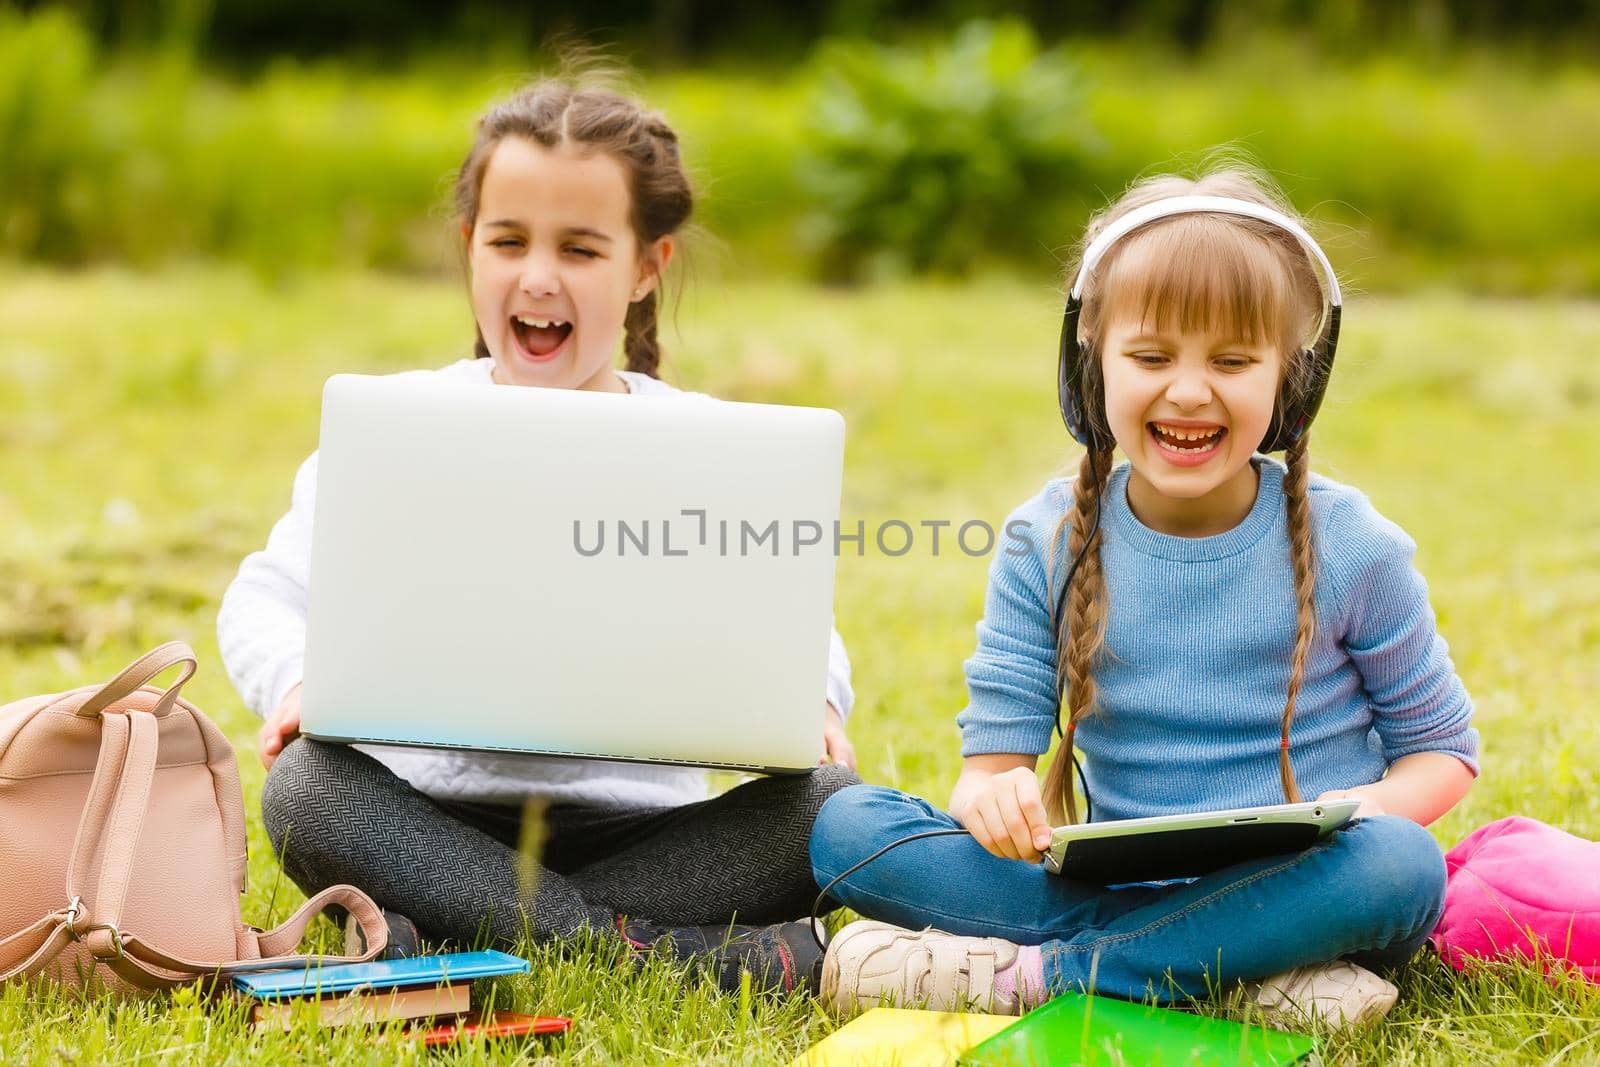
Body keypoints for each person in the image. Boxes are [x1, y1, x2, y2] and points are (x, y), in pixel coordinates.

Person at [217, 78, 860, 994]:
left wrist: (819, 701)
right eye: (508, 241)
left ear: (647, 266)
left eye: (582, 248)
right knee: (307, 790)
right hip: (429, 821)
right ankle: (666, 958)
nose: (538, 276)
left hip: (640, 832)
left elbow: (791, 622)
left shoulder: (705, 444)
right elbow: (264, 595)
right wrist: (293, 677)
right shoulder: (401, 423)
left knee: (832, 811)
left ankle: (451, 940)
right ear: (470, 249)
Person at [808, 166, 1479, 1029]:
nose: (1190, 390)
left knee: (1401, 864)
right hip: (1109, 879)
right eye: (1152, 356)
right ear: (1090, 367)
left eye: (1233, 361)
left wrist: (1345, 819)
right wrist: (997, 800)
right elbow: (988, 772)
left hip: (1301, 884)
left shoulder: (1355, 543)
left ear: (1291, 380)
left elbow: (1441, 752)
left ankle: (1046, 972)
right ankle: (1230, 974)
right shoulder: (1044, 539)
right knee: (845, 823)